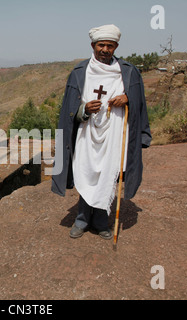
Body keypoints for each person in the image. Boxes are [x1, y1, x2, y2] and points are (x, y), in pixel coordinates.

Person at [51, 24, 152, 240]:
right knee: (86, 172)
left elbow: (140, 103)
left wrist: (128, 99)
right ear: (93, 45)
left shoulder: (128, 72)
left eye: (110, 45)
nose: (105, 50)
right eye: (101, 45)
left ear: (116, 47)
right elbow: (68, 110)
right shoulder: (80, 72)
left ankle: (100, 221)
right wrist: (84, 110)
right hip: (87, 133)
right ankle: (81, 218)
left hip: (114, 132)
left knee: (107, 173)